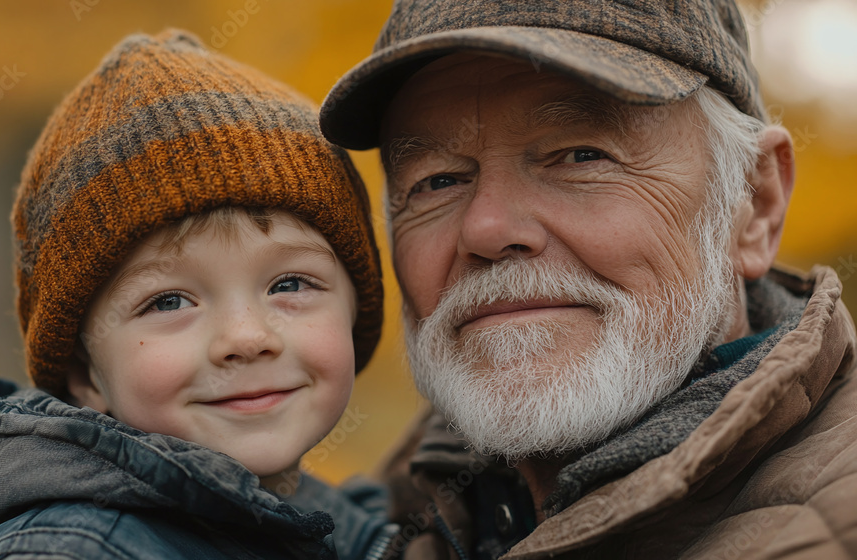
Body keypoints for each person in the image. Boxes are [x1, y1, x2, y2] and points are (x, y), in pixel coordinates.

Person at [319, 1, 857, 558]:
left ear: (756, 204)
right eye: (436, 181)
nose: (485, 228)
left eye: (581, 155)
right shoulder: (353, 527)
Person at [0, 29, 398, 560]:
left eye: (289, 284)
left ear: (355, 309)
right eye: (169, 301)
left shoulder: (341, 526)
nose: (246, 337)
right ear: (84, 375)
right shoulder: (68, 551)